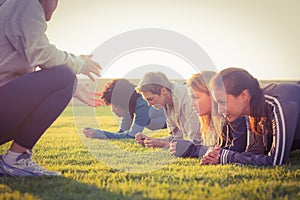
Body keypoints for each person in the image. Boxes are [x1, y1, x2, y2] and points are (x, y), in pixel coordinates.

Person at [0, 0, 101, 176]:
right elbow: (42, 54)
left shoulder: (8, 7)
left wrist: (73, 86)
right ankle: (16, 159)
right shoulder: (26, 3)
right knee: (64, 75)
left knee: (65, 76)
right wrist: (78, 65)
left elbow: (33, 65)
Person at [201, 67, 300, 166]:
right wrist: (217, 155)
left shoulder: (278, 103)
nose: (220, 110)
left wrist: (227, 157)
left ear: (244, 95)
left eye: (222, 102)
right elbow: (254, 152)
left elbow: (275, 161)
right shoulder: (251, 108)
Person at [169, 71, 247, 158]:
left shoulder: (235, 118)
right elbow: (210, 147)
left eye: (195, 97)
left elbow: (235, 150)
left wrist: (191, 150)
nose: (192, 104)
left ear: (212, 95)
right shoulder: (209, 122)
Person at [135, 71, 202, 148]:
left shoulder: (187, 100)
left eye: (151, 99)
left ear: (163, 90)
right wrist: (152, 140)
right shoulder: (167, 103)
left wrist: (162, 144)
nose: (149, 104)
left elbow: (197, 142)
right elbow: (175, 138)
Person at [83, 79, 167, 139]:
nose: (113, 110)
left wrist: (99, 133)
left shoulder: (142, 103)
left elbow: (131, 135)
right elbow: (122, 132)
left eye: (115, 106)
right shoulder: (130, 106)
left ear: (123, 102)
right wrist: (95, 133)